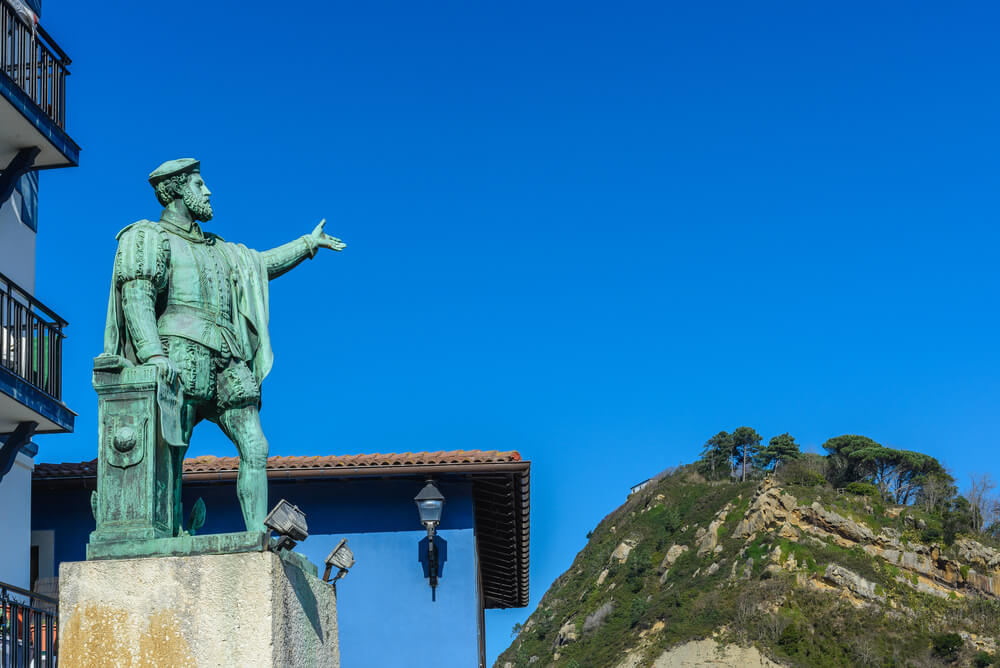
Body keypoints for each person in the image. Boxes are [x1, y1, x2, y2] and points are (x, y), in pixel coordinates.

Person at [102, 158, 345, 533]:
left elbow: (261, 264)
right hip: (178, 355)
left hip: (227, 357)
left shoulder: (222, 250)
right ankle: (166, 531)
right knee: (171, 453)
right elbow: (137, 296)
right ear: (178, 189)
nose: (208, 191)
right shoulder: (149, 236)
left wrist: (306, 245)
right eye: (200, 185)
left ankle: (257, 536)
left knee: (255, 445)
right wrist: (152, 354)